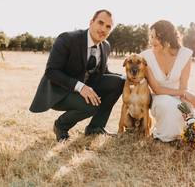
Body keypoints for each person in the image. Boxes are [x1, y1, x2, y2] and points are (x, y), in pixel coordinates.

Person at [29, 9, 125, 142]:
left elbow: (104, 73)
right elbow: (51, 71)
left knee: (121, 81)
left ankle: (96, 127)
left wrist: (128, 80)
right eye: (100, 23)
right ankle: (61, 125)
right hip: (60, 91)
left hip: (86, 87)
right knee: (92, 105)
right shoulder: (67, 39)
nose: (103, 29)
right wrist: (81, 87)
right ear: (91, 22)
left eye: (108, 26)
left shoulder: (106, 46)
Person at [141, 20, 195, 142]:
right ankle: (165, 136)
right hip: (158, 98)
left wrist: (184, 96)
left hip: (178, 96)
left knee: (186, 107)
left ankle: (187, 132)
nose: (151, 41)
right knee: (169, 106)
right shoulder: (146, 57)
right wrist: (184, 93)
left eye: (156, 37)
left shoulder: (185, 55)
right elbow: (157, 89)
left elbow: (183, 86)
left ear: (167, 37)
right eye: (151, 37)